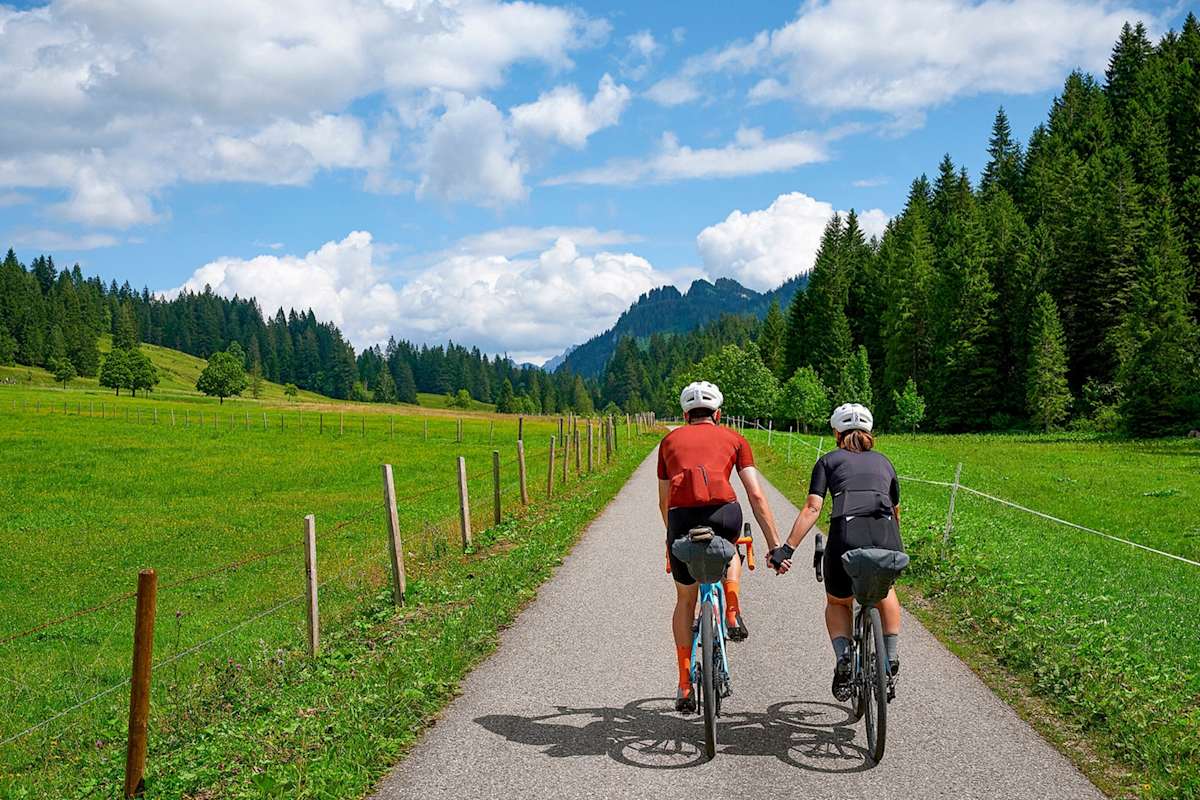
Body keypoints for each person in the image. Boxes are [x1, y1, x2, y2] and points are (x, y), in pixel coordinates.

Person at [658, 380, 785, 712]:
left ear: (685, 415)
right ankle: (731, 610)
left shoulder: (668, 441)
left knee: (685, 599)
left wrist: (673, 538)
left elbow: (664, 501)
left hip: (681, 519)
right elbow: (756, 495)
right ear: (718, 413)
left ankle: (684, 684)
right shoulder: (735, 439)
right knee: (730, 548)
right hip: (725, 514)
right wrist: (774, 545)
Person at [768, 403, 904, 700]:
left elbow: (812, 508)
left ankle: (844, 658)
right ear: (870, 432)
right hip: (887, 537)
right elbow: (895, 511)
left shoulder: (828, 461)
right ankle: (891, 658)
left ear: (836, 433)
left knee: (838, 602)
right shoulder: (885, 462)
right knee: (886, 591)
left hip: (845, 537)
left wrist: (787, 549)